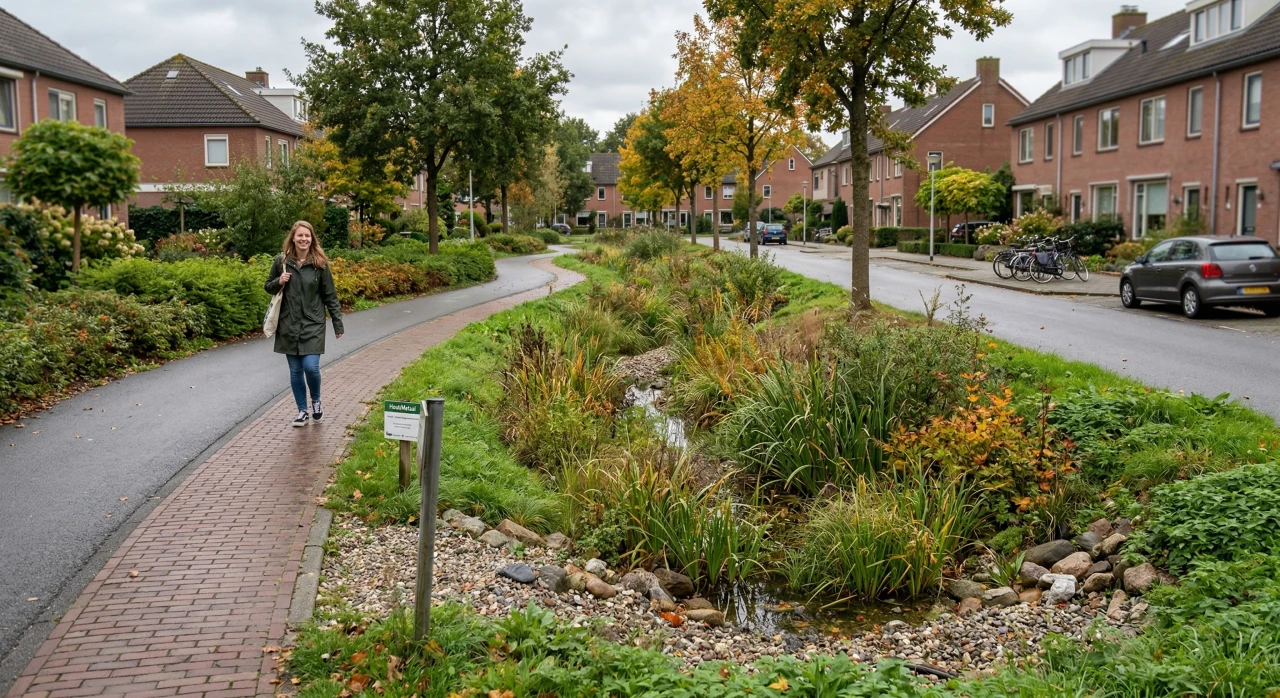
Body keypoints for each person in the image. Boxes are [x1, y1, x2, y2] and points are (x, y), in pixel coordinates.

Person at [265, 221, 344, 427]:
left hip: (313, 324)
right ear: (293, 238)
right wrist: (279, 281)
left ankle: (316, 401)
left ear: (312, 239)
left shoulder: (320, 264)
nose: (303, 239)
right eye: (300, 235)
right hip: (288, 324)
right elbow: (268, 287)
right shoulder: (281, 261)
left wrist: (337, 323)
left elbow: (330, 296)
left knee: (311, 367)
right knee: (295, 371)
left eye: (307, 236)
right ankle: (302, 411)